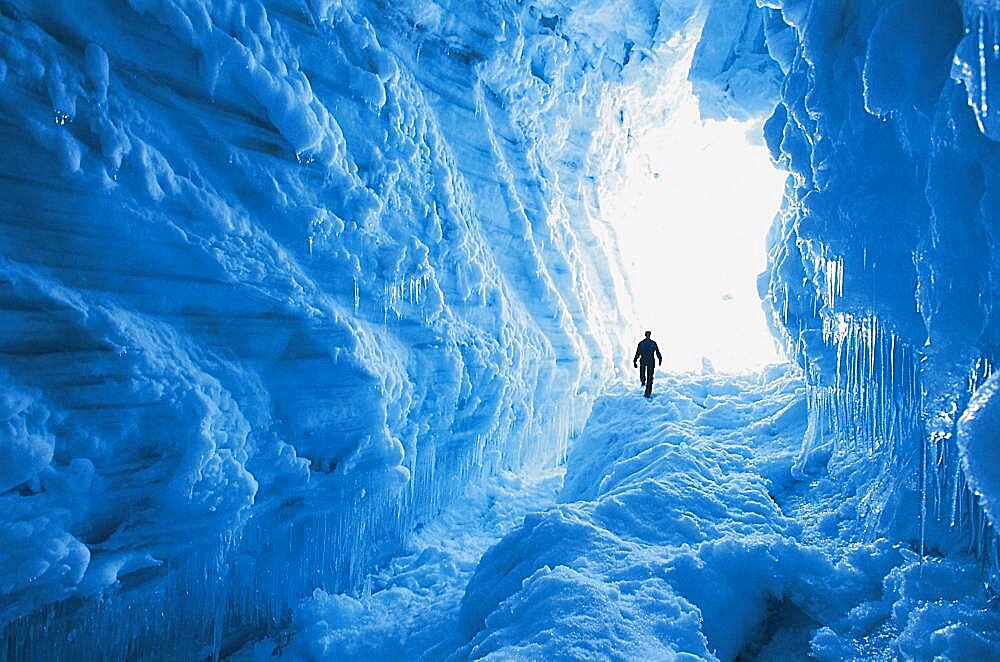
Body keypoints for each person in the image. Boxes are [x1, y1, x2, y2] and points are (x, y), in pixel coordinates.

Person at [633, 331, 662, 398]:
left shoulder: (642, 343)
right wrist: (660, 359)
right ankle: (647, 391)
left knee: (645, 374)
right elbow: (658, 353)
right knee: (649, 377)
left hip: (645, 361)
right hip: (650, 361)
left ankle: (645, 386)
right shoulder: (653, 343)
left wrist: (635, 361)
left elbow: (638, 353)